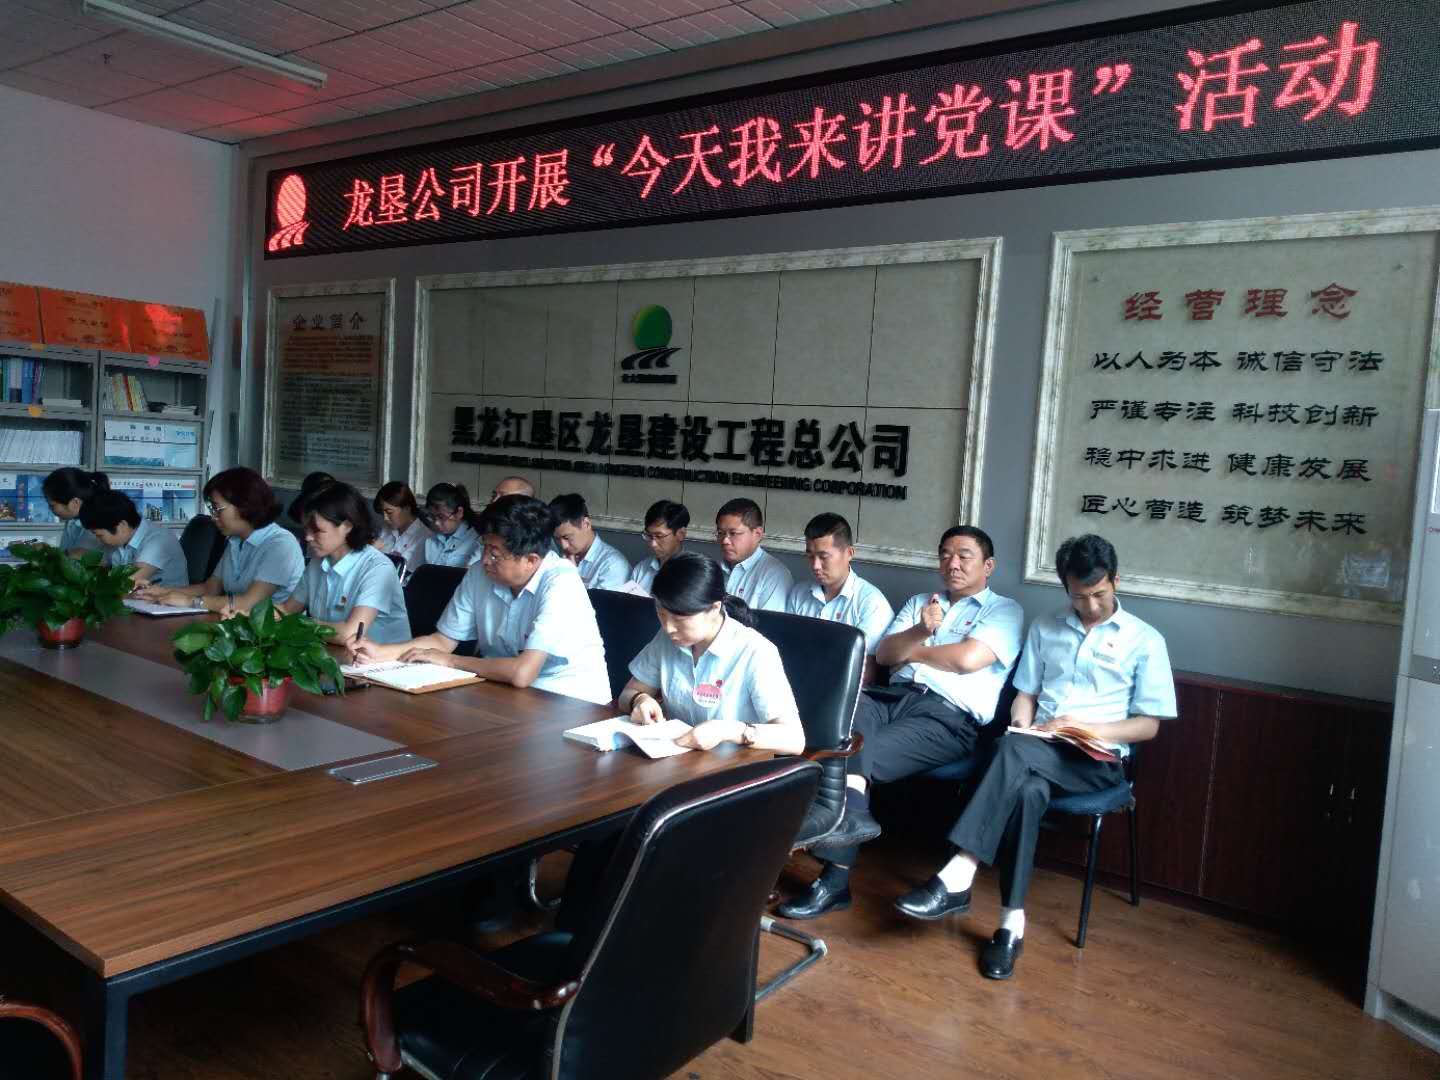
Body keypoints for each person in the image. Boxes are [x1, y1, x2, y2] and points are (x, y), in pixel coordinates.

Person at [894, 534, 1176, 981]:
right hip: (1037, 750)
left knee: (1011, 752)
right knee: (1025, 787)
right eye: (1079, 597)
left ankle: (960, 870)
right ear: (1066, 587)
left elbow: (1148, 726)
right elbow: (1024, 696)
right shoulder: (1046, 627)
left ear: (1116, 581)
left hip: (1096, 762)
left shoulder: (1145, 640)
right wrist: (1023, 724)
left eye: (1099, 594)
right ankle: (1011, 926)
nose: (1091, 606)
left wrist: (1086, 728)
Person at [780, 525, 1023, 921]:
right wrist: (921, 631)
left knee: (851, 753)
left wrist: (916, 651)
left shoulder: (1004, 611)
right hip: (889, 698)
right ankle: (853, 812)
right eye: (945, 555)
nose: (953, 563)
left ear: (988, 565)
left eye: (964, 556)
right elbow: (887, 655)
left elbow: (967, 660)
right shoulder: (919, 604)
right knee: (838, 724)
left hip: (947, 717)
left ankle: (834, 879)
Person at [349, 495, 610, 704]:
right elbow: (442, 642)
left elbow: (522, 673)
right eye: (484, 546)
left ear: (531, 560)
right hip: (504, 694)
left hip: (567, 703)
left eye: (495, 553)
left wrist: (451, 661)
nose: (484, 560)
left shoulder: (561, 582)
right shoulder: (480, 574)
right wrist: (381, 653)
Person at [618, 552, 803, 753]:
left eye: (679, 620)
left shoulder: (755, 652)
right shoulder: (667, 639)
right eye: (661, 615)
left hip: (735, 766)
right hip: (676, 758)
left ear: (714, 608)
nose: (669, 628)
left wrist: (729, 731)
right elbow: (627, 694)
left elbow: (793, 739)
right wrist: (639, 700)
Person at [134, 467, 303, 614]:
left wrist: (190, 601)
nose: (213, 517)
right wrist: (162, 592)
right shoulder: (235, 540)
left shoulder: (281, 544)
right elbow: (210, 588)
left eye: (217, 509)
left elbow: (249, 603)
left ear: (244, 505)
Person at [274, 483, 410, 644]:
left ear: (347, 526)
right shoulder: (318, 563)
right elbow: (287, 610)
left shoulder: (377, 569)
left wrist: (300, 624)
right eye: (306, 529)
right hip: (333, 653)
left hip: (378, 658)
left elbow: (350, 634)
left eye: (317, 530)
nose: (308, 537)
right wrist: (251, 614)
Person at [786, 512, 894, 685]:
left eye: (823, 557)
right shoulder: (799, 594)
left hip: (842, 691)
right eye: (810, 556)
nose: (815, 565)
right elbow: (785, 648)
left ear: (849, 553)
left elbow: (865, 672)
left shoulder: (872, 603)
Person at [79, 489, 187, 588]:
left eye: (99, 535)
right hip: (135, 600)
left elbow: (128, 582)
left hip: (165, 601)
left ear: (122, 525)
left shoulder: (158, 540)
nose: (98, 540)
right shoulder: (119, 540)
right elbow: (95, 565)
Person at [714, 497, 792, 612]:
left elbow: (768, 623)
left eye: (733, 533)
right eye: (720, 533)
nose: (725, 540)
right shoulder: (713, 569)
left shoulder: (774, 575)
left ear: (757, 534)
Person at [550, 492, 630, 590]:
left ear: (586, 524)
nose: (563, 546)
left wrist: (572, 577)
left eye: (567, 537)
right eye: (557, 539)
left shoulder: (613, 566)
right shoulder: (555, 556)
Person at [626, 499, 689, 593]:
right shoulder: (642, 569)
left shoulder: (694, 573)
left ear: (681, 534)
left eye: (659, 536)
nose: (653, 544)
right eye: (648, 535)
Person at [42, 467, 108, 555]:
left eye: (52, 505)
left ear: (75, 502)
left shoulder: (97, 523)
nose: (49, 509)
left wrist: (52, 553)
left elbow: (78, 556)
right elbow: (68, 554)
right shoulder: (72, 521)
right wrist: (49, 551)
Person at [373, 481, 432, 578]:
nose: (385, 518)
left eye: (389, 512)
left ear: (407, 508)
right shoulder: (387, 528)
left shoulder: (424, 538)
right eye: (382, 512)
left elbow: (404, 576)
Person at [422, 482, 482, 566]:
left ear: (459, 513)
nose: (436, 523)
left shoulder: (475, 540)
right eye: (432, 516)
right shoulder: (430, 537)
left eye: (441, 517)